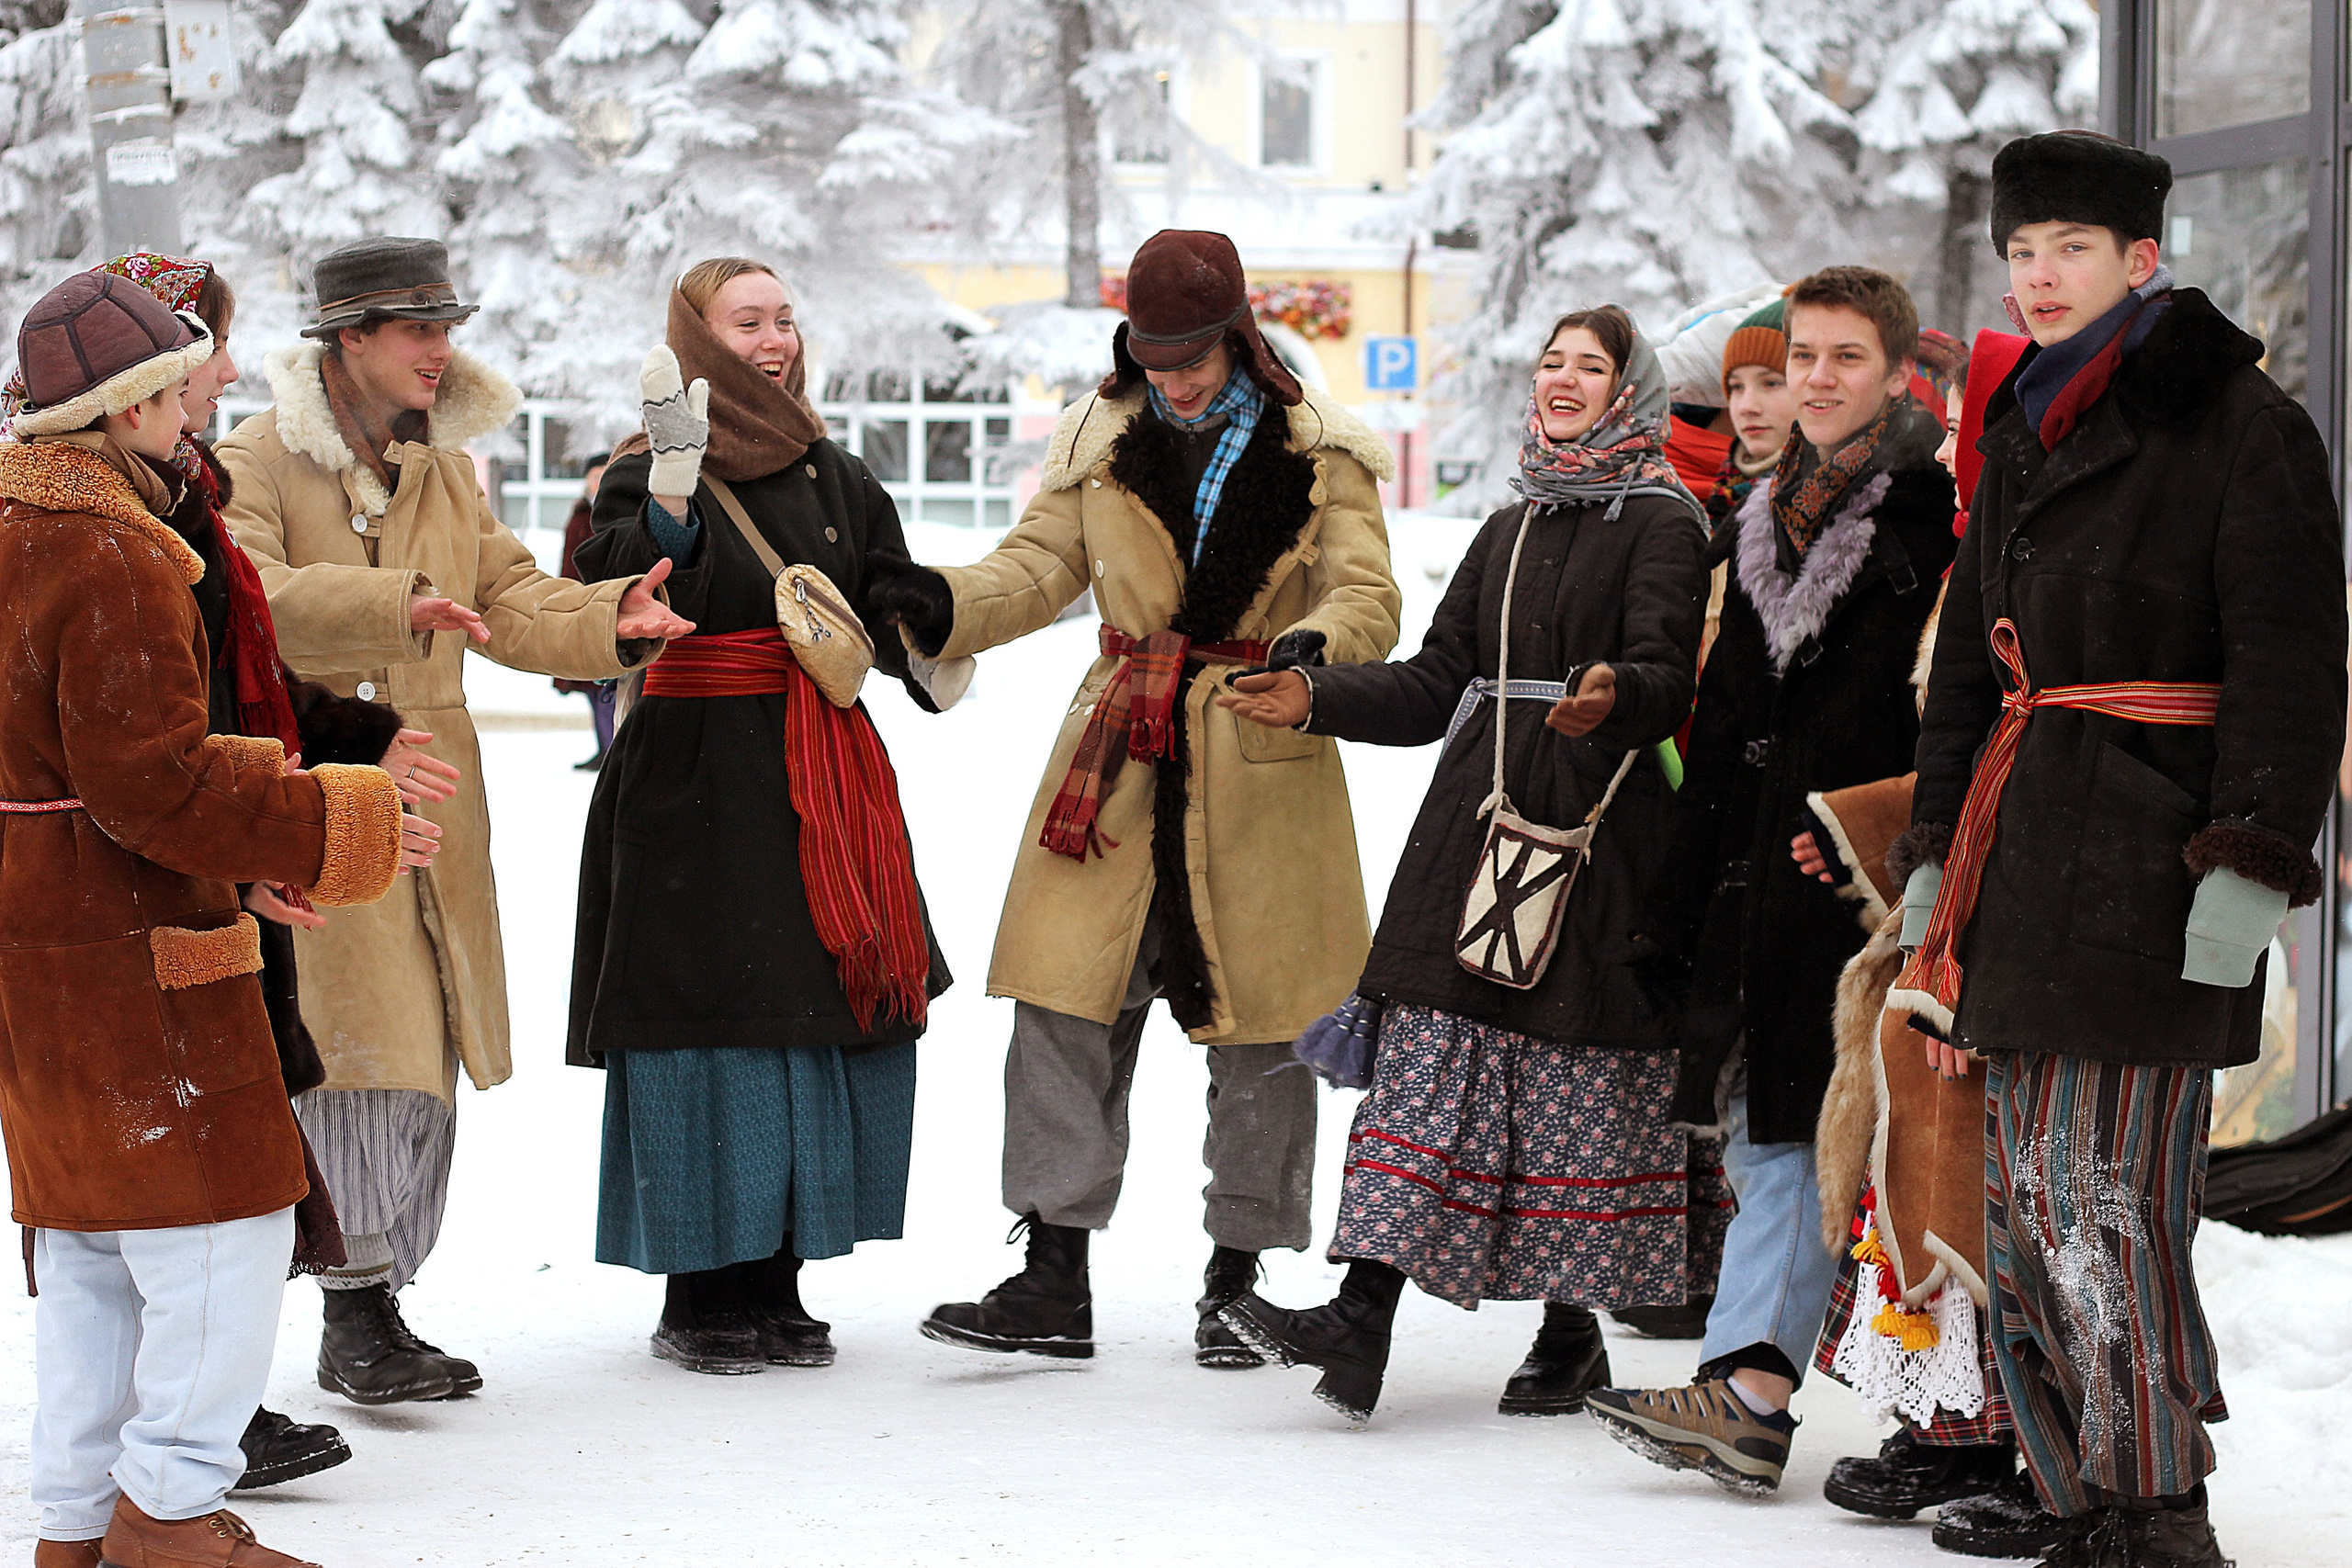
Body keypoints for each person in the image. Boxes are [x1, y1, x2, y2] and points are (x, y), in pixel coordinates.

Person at [1890, 130, 2345, 1568]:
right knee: (2027, 1199)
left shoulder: (2243, 425)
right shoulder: (2022, 417)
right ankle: (2078, 1483)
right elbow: (1971, 666)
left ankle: (2157, 1509)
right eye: (2022, 253)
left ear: (2142, 261)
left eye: (2069, 250)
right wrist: (1927, 863)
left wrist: (2248, 866)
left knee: (2103, 1200)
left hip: (2156, 868)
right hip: (2020, 860)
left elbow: (2295, 660)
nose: (2038, 277)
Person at [871, 229, 1402, 1367]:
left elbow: (1369, 593)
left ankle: (1236, 1280)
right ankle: (1052, 1272)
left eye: (1191, 357)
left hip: (1262, 747)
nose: (1171, 379)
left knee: (1262, 1032)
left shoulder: (1322, 451)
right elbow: (1033, 569)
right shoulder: (1100, 439)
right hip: (1115, 755)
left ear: (1237, 336)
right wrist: (943, 600)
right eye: (1151, 356)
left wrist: (1312, 652)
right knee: (1064, 1005)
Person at [1211, 306, 1711, 1425]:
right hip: (1475, 822)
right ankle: (1360, 1320)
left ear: (1629, 392)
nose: (1564, 380)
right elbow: (1439, 680)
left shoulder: (1664, 520)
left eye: (1591, 366)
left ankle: (1570, 1333)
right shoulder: (1512, 523)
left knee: (1565, 1080)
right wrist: (1317, 697)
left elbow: (1666, 675)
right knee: (1432, 1066)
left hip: (1592, 829)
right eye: (1552, 362)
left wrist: (1612, 698)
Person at [218, 237, 693, 1406]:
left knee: (421, 1044)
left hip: (435, 782)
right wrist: (392, 602)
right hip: (318, 773)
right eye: (417, 329)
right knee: (349, 1048)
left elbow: (510, 594)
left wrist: (606, 617)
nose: (442, 350)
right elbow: (245, 601)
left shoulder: (441, 469)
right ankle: (352, 1306)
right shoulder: (257, 458)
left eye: (447, 325)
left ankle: (374, 1301)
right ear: (348, 341)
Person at [0, 269, 419, 1568]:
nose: (194, 413)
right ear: (123, 412)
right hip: (138, 963)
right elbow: (152, 781)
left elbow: (74, 779)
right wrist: (324, 819)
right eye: (171, 393)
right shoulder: (112, 548)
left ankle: (77, 1526)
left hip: (43, 952)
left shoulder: (13, 527)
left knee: (90, 1257)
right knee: (219, 1239)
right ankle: (170, 1516)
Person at [1588, 266, 1958, 1495]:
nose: (1815, 377)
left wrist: (1878, 838)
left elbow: (1939, 717)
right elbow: (1728, 715)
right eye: (1802, 355)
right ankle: (1744, 1387)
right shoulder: (1763, 517)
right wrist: (1679, 899)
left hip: (1855, 880)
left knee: (1810, 1125)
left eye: (1844, 357)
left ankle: (1750, 1388)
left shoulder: (1925, 524)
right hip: (1755, 871)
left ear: (1896, 373)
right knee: (1767, 1125)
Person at [568, 257, 949, 1373]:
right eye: (747, 322)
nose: (775, 338)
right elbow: (618, 591)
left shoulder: (837, 472)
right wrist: (674, 503)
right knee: (711, 1026)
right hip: (693, 782)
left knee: (814, 1013)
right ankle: (701, 1294)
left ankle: (776, 1278)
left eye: (785, 318)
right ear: (694, 337)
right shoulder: (643, 471)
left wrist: (911, 610)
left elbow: (888, 588)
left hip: (820, 773)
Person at [1791, 325, 2070, 1562]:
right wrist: (1875, 836)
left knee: (1987, 1173)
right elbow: (1956, 751)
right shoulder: (1980, 554)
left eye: (1978, 423)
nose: (1962, 446)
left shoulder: (2037, 556)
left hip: (2024, 909)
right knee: (1915, 1161)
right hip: (1945, 903)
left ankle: (2007, 1430)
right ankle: (1938, 1420)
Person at [556, 454, 616, 770]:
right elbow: (566, 564)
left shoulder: (619, 512)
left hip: (611, 609)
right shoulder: (580, 515)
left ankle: (613, 749)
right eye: (594, 476)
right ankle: (603, 746)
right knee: (592, 688)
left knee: (611, 685)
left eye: (604, 475)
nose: (598, 482)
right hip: (581, 607)